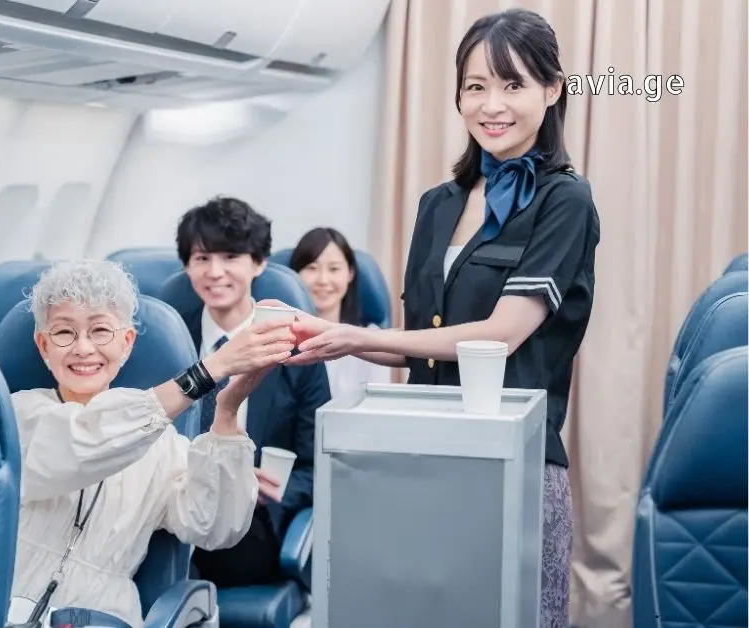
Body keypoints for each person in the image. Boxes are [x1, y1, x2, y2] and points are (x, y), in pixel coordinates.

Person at [283, 9, 599, 628]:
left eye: (513, 85)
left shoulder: (565, 198)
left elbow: (505, 334)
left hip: (516, 461)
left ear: (553, 90)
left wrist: (357, 334)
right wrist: (330, 337)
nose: (492, 105)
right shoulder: (437, 204)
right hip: (422, 453)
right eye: (476, 87)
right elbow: (418, 348)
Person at [8, 259, 293, 628]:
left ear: (127, 343)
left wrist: (226, 413)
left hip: (105, 618)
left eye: (100, 331)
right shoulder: (19, 414)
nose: (83, 348)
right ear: (43, 346)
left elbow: (213, 528)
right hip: (5, 608)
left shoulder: (164, 447)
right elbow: (86, 443)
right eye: (64, 333)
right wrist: (205, 374)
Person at [172, 197, 333, 589]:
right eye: (201, 258)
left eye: (230, 257)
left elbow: (321, 465)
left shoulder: (297, 350)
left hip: (251, 520)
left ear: (259, 263)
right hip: (171, 501)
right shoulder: (169, 342)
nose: (215, 272)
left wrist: (272, 488)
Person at [288, 226, 392, 396]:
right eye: (312, 268)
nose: (323, 280)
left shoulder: (371, 339)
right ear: (294, 274)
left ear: (350, 273)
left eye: (334, 269)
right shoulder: (281, 339)